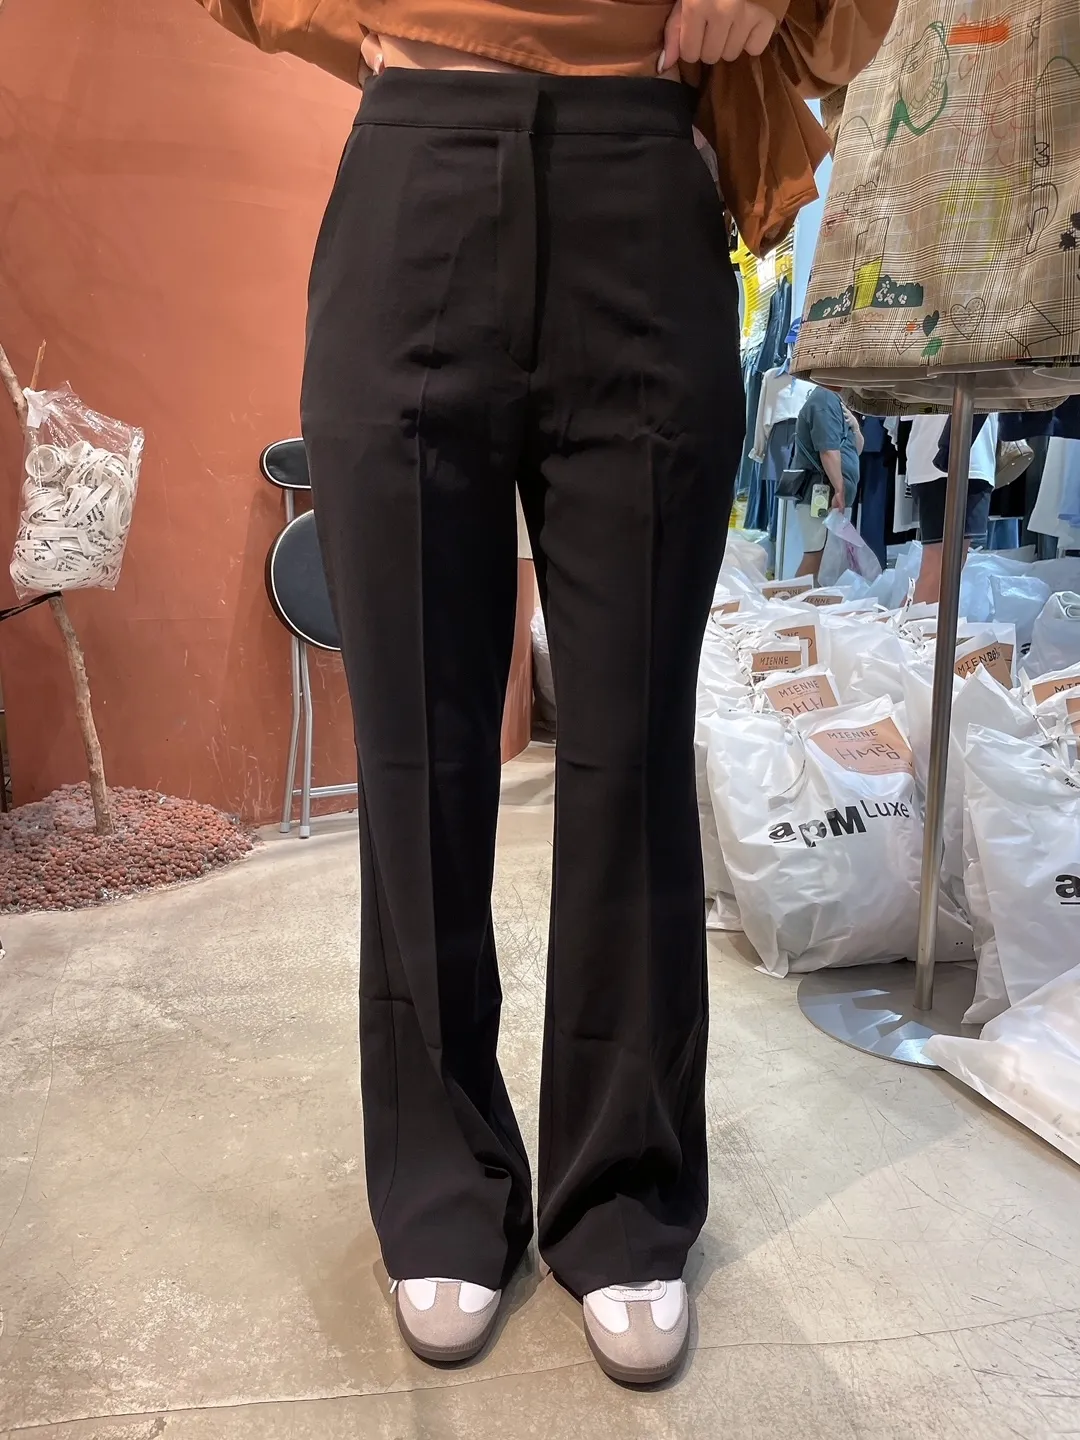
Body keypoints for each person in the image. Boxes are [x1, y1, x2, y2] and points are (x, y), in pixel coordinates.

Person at [196, 0, 894, 1385]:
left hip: (645, 173)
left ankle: (624, 1192)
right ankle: (443, 1179)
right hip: (415, 170)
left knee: (629, 750)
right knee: (418, 751)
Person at [907, 412, 999, 603]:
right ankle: (901, 621)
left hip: (951, 459)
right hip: (953, 462)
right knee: (942, 570)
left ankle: (900, 619)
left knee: (942, 568)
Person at [792, 385, 863, 580]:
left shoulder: (836, 401)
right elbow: (827, 450)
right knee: (816, 555)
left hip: (830, 494)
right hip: (823, 493)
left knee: (823, 558)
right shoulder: (824, 398)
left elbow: (855, 449)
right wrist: (839, 490)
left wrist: (855, 428)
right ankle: (791, 600)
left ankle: (799, 599)